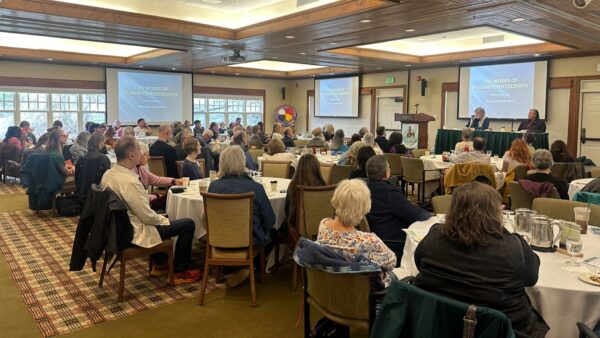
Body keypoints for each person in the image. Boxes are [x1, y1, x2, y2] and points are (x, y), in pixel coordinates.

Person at [413, 182, 547, 338]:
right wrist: (498, 226)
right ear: (495, 212)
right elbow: (531, 278)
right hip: (501, 331)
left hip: (436, 326)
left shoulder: (435, 235)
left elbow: (418, 262)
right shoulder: (513, 248)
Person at [101, 137, 199, 283]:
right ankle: (180, 271)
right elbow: (147, 217)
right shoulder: (130, 181)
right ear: (131, 155)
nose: (143, 155)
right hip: (132, 232)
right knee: (187, 224)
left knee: (161, 216)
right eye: (139, 152)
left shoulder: (109, 174)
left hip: (115, 230)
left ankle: (161, 264)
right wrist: (165, 218)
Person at [208, 146, 275, 287]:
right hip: (249, 240)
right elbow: (270, 220)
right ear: (242, 162)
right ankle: (249, 266)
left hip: (220, 239)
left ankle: (234, 267)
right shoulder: (255, 187)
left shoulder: (213, 187)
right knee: (274, 233)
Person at [317, 179, 396, 287]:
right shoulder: (369, 241)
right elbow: (392, 262)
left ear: (335, 200)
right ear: (364, 208)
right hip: (363, 295)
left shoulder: (323, 226)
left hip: (331, 289)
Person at [365, 156, 430, 262]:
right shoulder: (389, 193)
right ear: (386, 173)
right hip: (393, 243)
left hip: (374, 240)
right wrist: (432, 216)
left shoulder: (363, 190)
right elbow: (415, 215)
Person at [285, 153, 326, 230]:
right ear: (317, 168)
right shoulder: (325, 187)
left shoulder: (293, 186)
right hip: (322, 229)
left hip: (298, 230)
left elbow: (287, 209)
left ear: (299, 168)